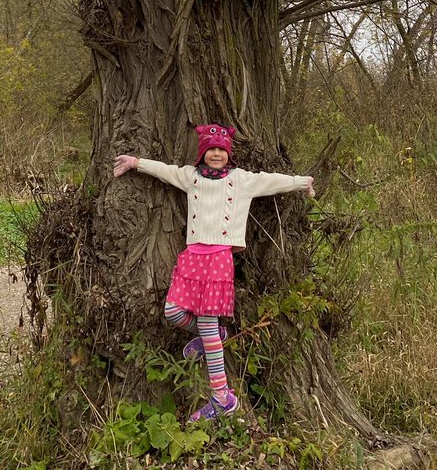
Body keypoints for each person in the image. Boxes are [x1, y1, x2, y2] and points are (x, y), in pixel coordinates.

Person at [113, 123, 315, 422]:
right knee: (172, 312)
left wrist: (301, 182)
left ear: (228, 154)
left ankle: (222, 397)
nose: (216, 154)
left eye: (221, 150)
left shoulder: (240, 180)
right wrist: (136, 163)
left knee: (207, 320)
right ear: (203, 153)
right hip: (192, 255)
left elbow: (271, 181)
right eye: (211, 150)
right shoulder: (192, 177)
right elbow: (165, 171)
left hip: (219, 257)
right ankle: (213, 336)